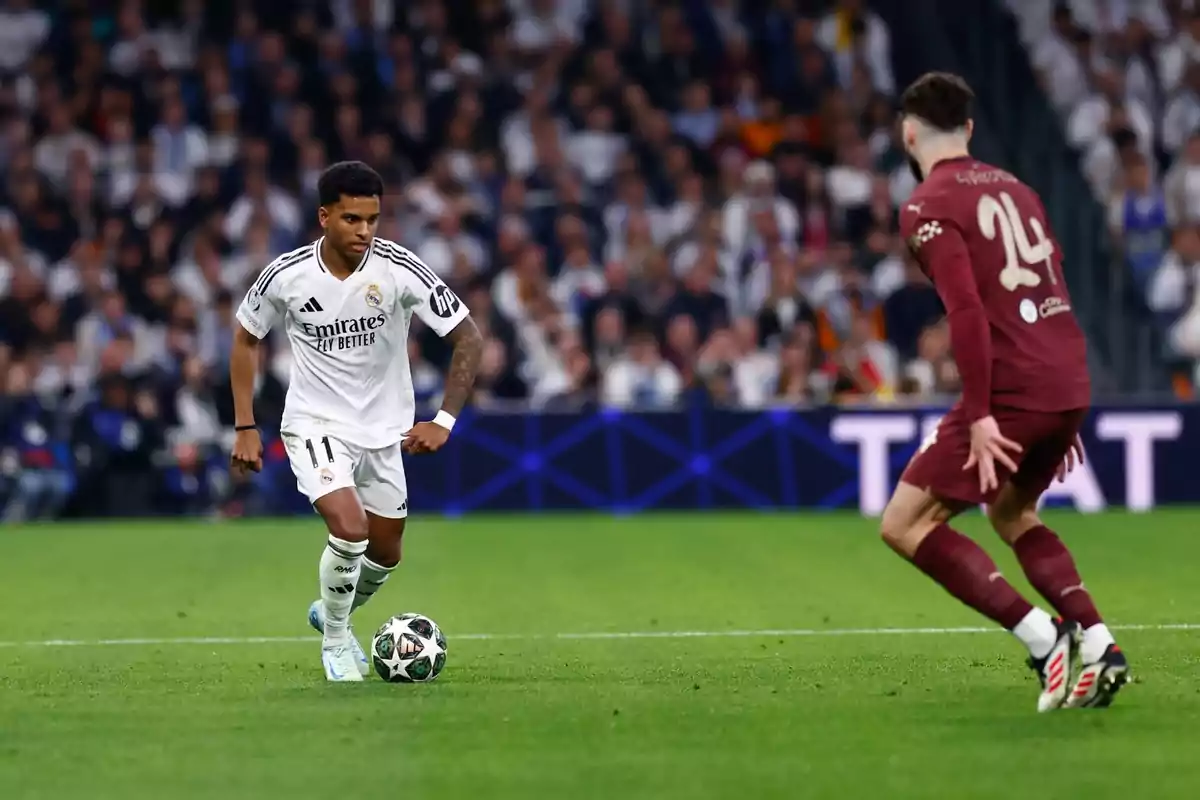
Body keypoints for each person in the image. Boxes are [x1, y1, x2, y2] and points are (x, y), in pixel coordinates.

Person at [885, 73, 1128, 711]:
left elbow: (965, 311)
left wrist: (984, 414)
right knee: (1013, 512)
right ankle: (1100, 641)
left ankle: (1044, 638)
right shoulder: (1019, 189)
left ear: (908, 133)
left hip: (1013, 385)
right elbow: (1052, 286)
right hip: (1064, 374)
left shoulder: (927, 203)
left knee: (904, 523)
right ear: (967, 130)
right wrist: (1064, 408)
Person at [228, 162, 483, 682]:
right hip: (315, 424)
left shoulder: (400, 268)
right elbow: (244, 338)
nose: (364, 231)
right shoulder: (287, 275)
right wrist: (245, 425)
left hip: (384, 431)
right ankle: (338, 641)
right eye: (351, 219)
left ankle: (331, 608)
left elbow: (469, 338)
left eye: (372, 219)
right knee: (350, 530)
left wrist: (445, 420)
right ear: (325, 217)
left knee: (386, 552)